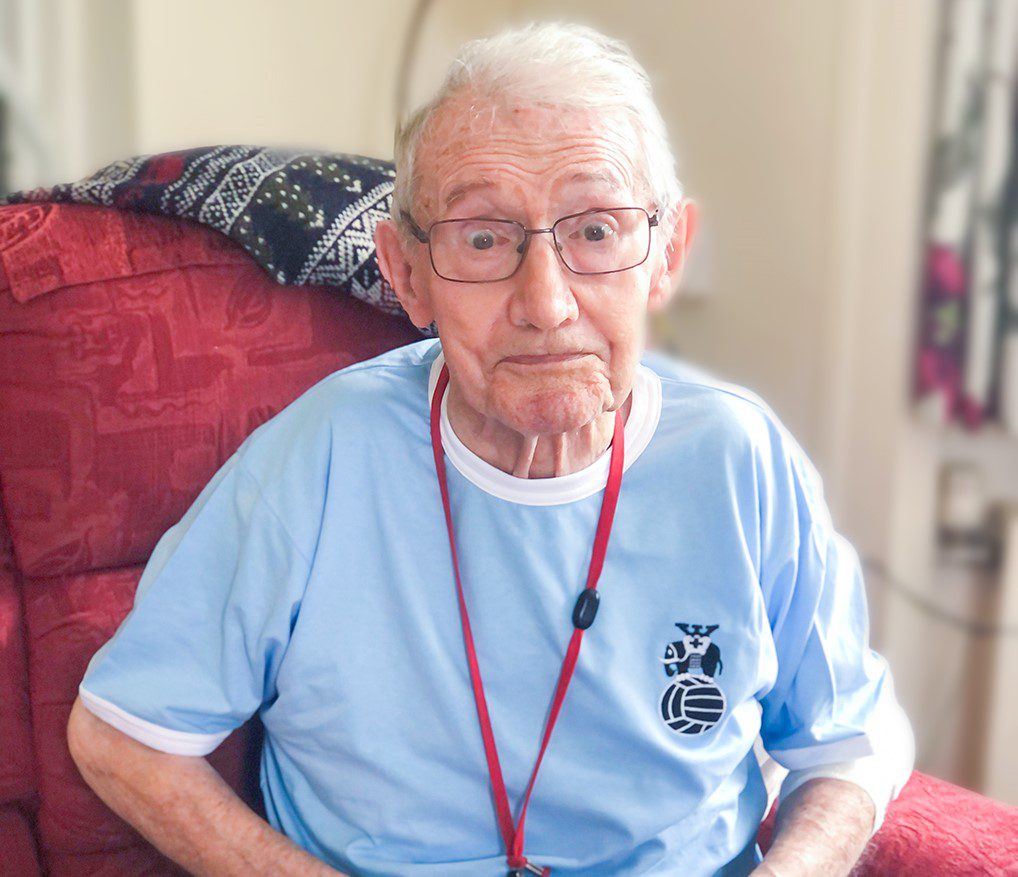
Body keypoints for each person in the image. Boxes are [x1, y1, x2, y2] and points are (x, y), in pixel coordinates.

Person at [67, 19, 915, 877]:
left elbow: (848, 740)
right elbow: (121, 734)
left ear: (665, 255)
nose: (545, 303)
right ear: (407, 275)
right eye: (482, 239)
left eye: (595, 231)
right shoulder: (319, 458)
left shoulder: (742, 460)